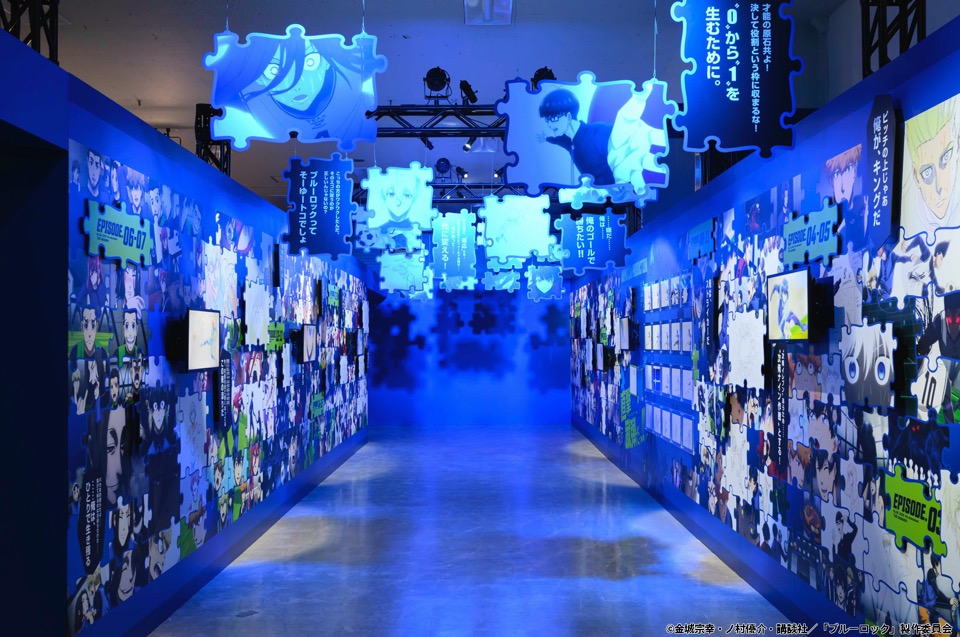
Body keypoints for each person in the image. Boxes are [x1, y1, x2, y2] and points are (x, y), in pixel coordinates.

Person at [204, 25, 384, 148]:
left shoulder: (359, 92)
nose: (295, 84)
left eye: (310, 62)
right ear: (259, 78)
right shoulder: (245, 117)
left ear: (326, 63)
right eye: (273, 70)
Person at [903, 97, 960, 240]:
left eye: (946, 157)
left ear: (958, 146)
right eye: (927, 172)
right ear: (916, 176)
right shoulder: (911, 223)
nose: (939, 186)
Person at [539, 88, 615, 185]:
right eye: (547, 120)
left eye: (553, 119)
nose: (549, 124)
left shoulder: (596, 132)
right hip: (594, 191)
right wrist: (545, 139)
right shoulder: (567, 140)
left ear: (568, 116)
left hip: (617, 190)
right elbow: (555, 140)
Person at [919, 555, 959, 635]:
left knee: (950, 630)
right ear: (936, 564)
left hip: (931, 611)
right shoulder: (930, 573)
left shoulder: (933, 575)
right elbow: (937, 591)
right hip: (926, 611)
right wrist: (948, 600)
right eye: (942, 565)